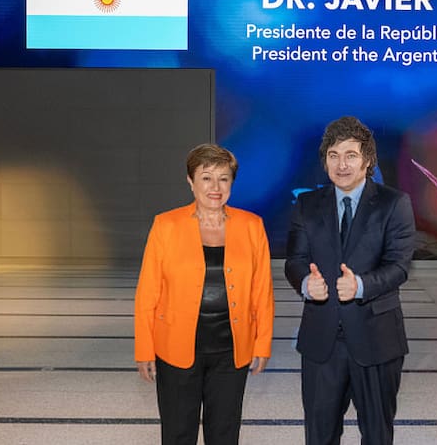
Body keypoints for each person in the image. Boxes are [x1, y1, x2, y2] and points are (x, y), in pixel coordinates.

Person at [285, 116, 416, 445]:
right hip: (321, 341)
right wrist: (305, 284)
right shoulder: (307, 205)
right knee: (319, 436)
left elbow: (399, 266)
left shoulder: (393, 204)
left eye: (351, 155)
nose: (341, 164)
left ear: (367, 160)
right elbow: (296, 261)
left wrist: (360, 285)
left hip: (377, 340)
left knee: (376, 434)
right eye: (333, 155)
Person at [135, 143, 274, 445]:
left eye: (224, 178)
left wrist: (262, 342)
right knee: (177, 432)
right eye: (206, 177)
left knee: (224, 433)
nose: (215, 187)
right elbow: (148, 292)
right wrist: (144, 349)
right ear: (190, 181)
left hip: (231, 350)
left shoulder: (252, 226)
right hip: (175, 348)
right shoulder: (165, 225)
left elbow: (262, 292)